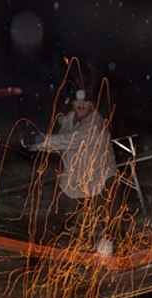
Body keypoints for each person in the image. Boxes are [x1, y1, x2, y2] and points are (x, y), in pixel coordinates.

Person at [26, 87, 124, 250]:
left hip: (100, 178)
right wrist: (34, 144)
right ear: (72, 102)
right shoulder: (69, 119)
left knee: (112, 223)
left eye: (85, 101)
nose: (81, 105)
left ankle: (120, 261)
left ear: (91, 104)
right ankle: (34, 260)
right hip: (74, 180)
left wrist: (42, 140)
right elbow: (60, 141)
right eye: (77, 101)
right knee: (53, 223)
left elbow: (71, 140)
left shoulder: (95, 123)